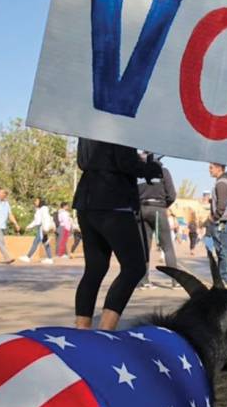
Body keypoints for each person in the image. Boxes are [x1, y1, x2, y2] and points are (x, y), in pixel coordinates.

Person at [72, 138, 162, 330]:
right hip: (114, 203)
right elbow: (124, 161)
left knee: (94, 268)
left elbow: (83, 161)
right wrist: (149, 169)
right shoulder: (119, 126)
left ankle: (81, 330)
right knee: (134, 267)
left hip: (86, 201)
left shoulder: (86, 128)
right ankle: (106, 329)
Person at [137, 157, 177, 289]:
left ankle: (144, 281)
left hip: (142, 210)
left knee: (144, 247)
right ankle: (175, 281)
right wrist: (163, 205)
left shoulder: (139, 172)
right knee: (167, 247)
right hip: (158, 209)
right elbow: (172, 195)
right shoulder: (163, 171)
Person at [208, 162, 227, 284]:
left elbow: (222, 205)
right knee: (223, 248)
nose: (209, 170)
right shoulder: (223, 181)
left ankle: (225, 277)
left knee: (223, 248)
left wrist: (214, 217)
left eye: (211, 167)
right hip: (223, 219)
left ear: (219, 168)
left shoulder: (221, 183)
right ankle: (224, 276)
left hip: (222, 220)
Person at [19, 197, 55, 264]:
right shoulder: (42, 209)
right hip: (44, 227)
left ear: (40, 202)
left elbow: (37, 221)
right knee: (45, 242)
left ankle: (28, 257)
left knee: (36, 242)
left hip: (42, 228)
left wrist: (29, 227)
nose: (35, 202)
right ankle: (50, 258)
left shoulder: (41, 209)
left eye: (36, 201)